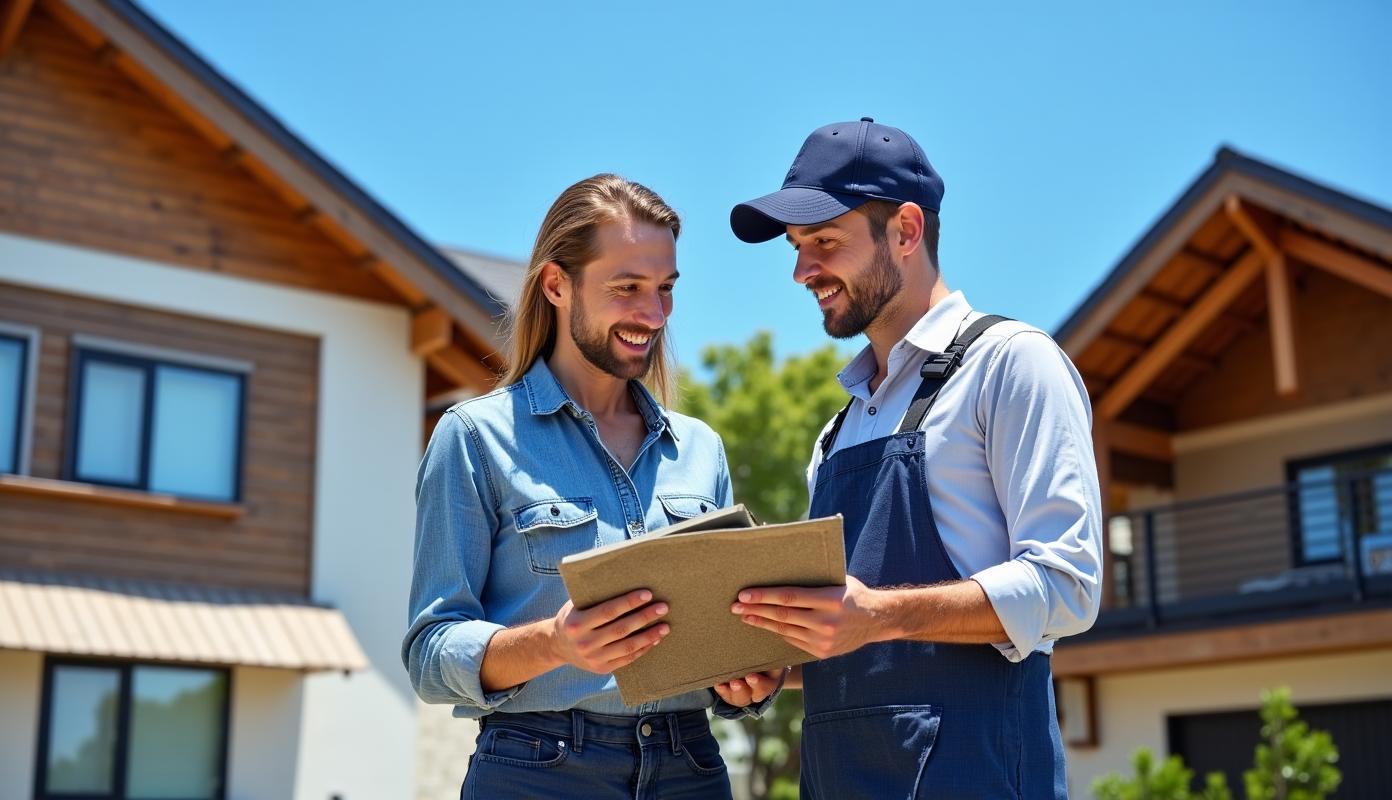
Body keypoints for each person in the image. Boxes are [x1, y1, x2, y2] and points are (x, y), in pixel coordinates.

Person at [727, 118, 1103, 798]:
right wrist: (772, 664)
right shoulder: (835, 431)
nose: (801, 271)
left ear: (904, 230)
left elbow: (1069, 587)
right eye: (795, 248)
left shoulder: (1011, 365)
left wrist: (883, 615)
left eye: (823, 243)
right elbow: (854, 633)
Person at [404, 174, 779, 799]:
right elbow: (431, 651)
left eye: (664, 290)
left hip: (690, 767)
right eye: (627, 288)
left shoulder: (700, 449)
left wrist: (745, 680)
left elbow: (718, 637)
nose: (653, 314)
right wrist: (553, 643)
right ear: (557, 285)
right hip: (538, 771)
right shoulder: (474, 436)